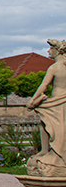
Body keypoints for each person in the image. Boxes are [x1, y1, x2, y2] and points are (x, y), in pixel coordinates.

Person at [27, 39, 66, 177]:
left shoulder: (54, 67)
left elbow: (43, 86)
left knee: (45, 123)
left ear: (58, 50)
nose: (48, 51)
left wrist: (32, 100)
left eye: (50, 49)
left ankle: (45, 150)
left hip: (56, 103)